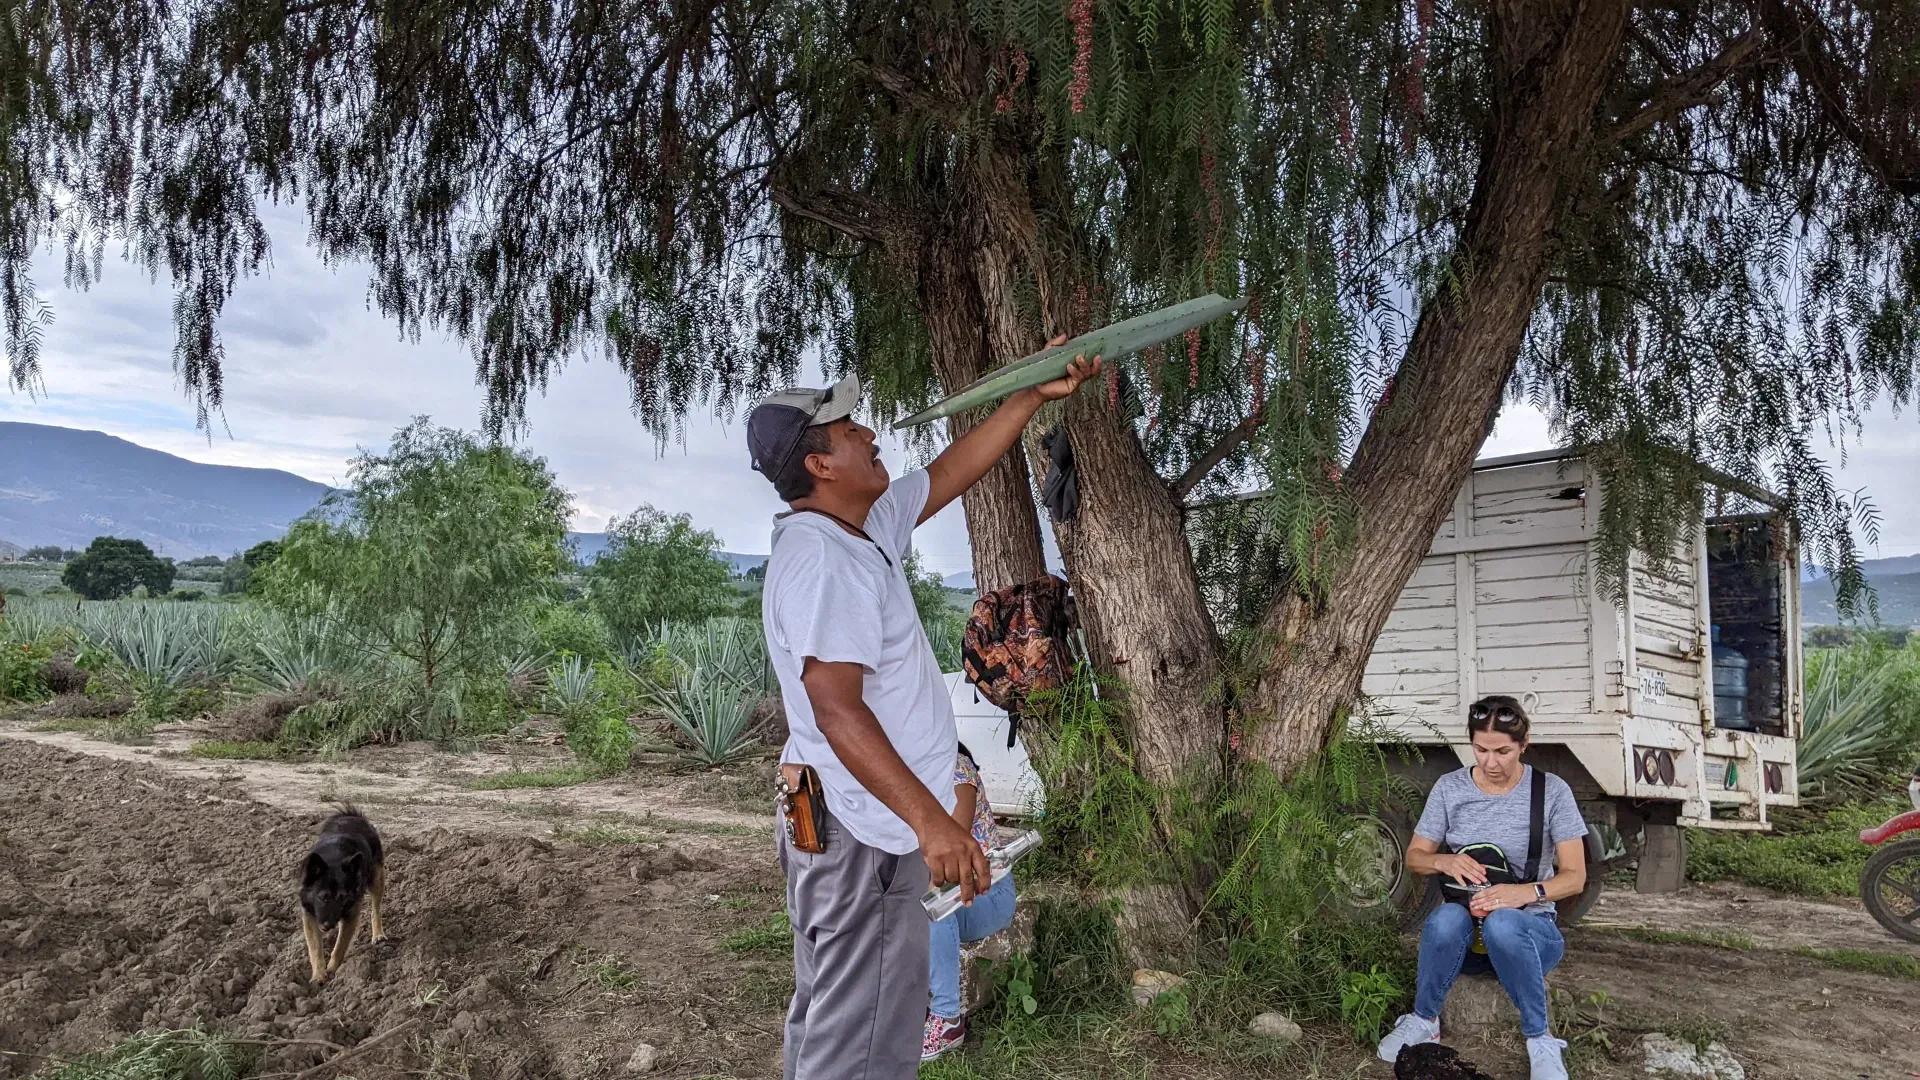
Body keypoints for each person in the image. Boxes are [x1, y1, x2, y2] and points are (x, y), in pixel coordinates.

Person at [750, 343, 1100, 1080]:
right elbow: (838, 712)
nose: (870, 434)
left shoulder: (860, 528)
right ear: (819, 464)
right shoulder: (825, 563)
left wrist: (1032, 395)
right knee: (870, 1032)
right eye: (851, 430)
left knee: (836, 1006)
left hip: (849, 817)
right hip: (865, 831)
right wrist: (930, 820)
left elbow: (947, 473)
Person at [1376, 695, 1589, 1080]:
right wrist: (1444, 860)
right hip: (1467, 942)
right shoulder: (1450, 788)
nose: (1491, 763)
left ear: (1524, 745)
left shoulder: (1551, 791)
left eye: (1503, 751)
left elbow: (1575, 876)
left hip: (1530, 938)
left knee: (1504, 923)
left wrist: (1523, 894)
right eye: (1480, 749)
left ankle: (1540, 1040)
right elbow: (1415, 858)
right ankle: (1424, 1019)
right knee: (1442, 920)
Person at [922, 745, 1018, 1061]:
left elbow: (952, 851)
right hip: (959, 889)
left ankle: (947, 1018)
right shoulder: (914, 771)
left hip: (989, 894)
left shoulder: (957, 770)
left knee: (929, 907)